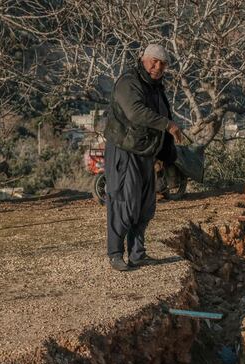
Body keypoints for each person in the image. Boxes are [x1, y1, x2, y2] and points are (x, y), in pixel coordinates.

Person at [102, 44, 183, 272]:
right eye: (154, 61)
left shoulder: (156, 87)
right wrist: (168, 125)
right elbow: (135, 112)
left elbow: (160, 115)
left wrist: (164, 153)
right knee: (123, 202)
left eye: (163, 63)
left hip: (145, 152)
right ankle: (115, 254)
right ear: (143, 59)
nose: (157, 66)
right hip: (125, 150)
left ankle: (138, 254)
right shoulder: (129, 81)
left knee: (145, 206)